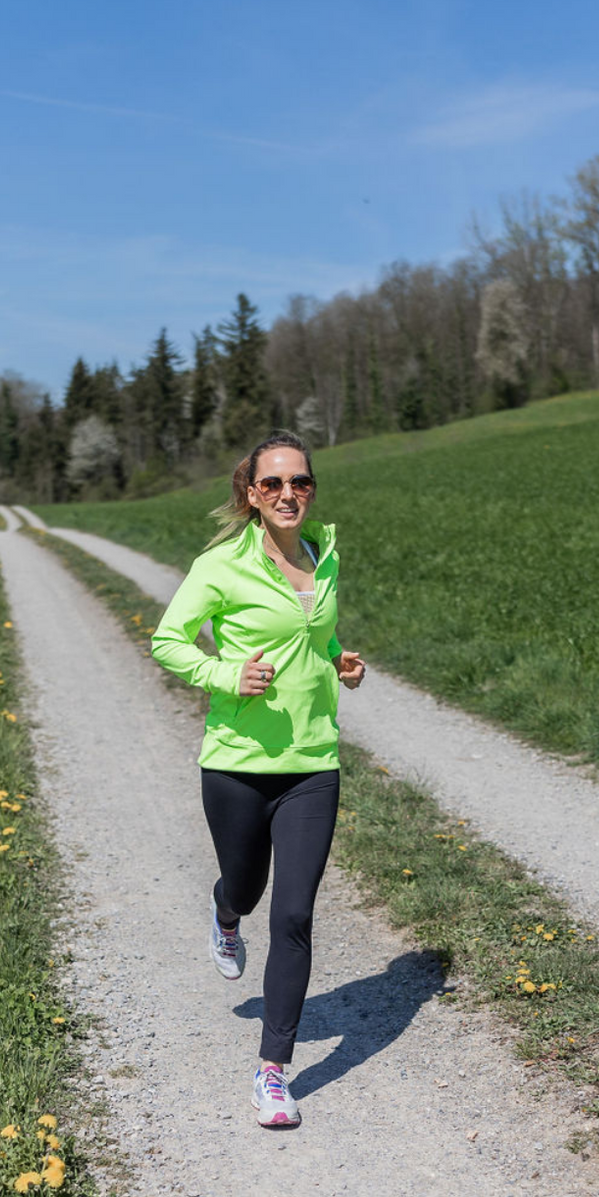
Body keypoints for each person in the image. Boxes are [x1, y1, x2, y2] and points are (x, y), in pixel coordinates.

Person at [149, 429, 366, 1127]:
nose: (287, 494)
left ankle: (273, 1070)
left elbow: (316, 632)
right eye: (271, 483)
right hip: (237, 763)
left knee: (295, 915)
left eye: (299, 482)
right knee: (246, 885)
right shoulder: (221, 565)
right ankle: (224, 911)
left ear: (312, 487)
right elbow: (168, 640)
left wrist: (338, 660)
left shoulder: (324, 556)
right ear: (251, 493)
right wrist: (225, 674)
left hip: (311, 765)